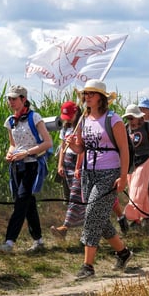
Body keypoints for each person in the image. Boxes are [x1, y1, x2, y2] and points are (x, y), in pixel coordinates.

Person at [67, 79, 133, 280]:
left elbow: (124, 149)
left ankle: (88, 266)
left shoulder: (114, 120)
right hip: (89, 172)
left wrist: (123, 177)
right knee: (98, 216)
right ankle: (123, 252)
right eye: (85, 94)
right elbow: (81, 149)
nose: (87, 97)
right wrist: (72, 146)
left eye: (91, 94)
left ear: (101, 98)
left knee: (93, 215)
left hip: (109, 172)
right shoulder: (83, 119)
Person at [0, 86, 53, 254]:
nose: (11, 102)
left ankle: (9, 242)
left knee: (20, 202)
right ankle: (39, 240)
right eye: (9, 99)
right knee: (28, 203)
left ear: (23, 99)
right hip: (17, 166)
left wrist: (26, 153)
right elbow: (13, 144)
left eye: (14, 98)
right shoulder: (10, 120)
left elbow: (48, 142)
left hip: (32, 164)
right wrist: (9, 154)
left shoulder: (35, 118)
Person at [121, 104, 149, 226]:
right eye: (128, 118)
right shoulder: (126, 128)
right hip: (132, 163)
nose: (130, 121)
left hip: (146, 160)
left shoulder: (147, 126)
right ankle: (146, 215)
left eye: (132, 118)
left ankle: (132, 217)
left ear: (139, 117)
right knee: (138, 189)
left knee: (136, 189)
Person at [50, 101, 85, 239]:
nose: (68, 119)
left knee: (75, 196)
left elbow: (83, 148)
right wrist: (60, 165)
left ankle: (64, 228)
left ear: (77, 113)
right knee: (74, 197)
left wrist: (78, 166)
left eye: (70, 115)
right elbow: (62, 149)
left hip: (79, 163)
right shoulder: (65, 128)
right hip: (67, 163)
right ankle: (85, 227)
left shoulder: (82, 125)